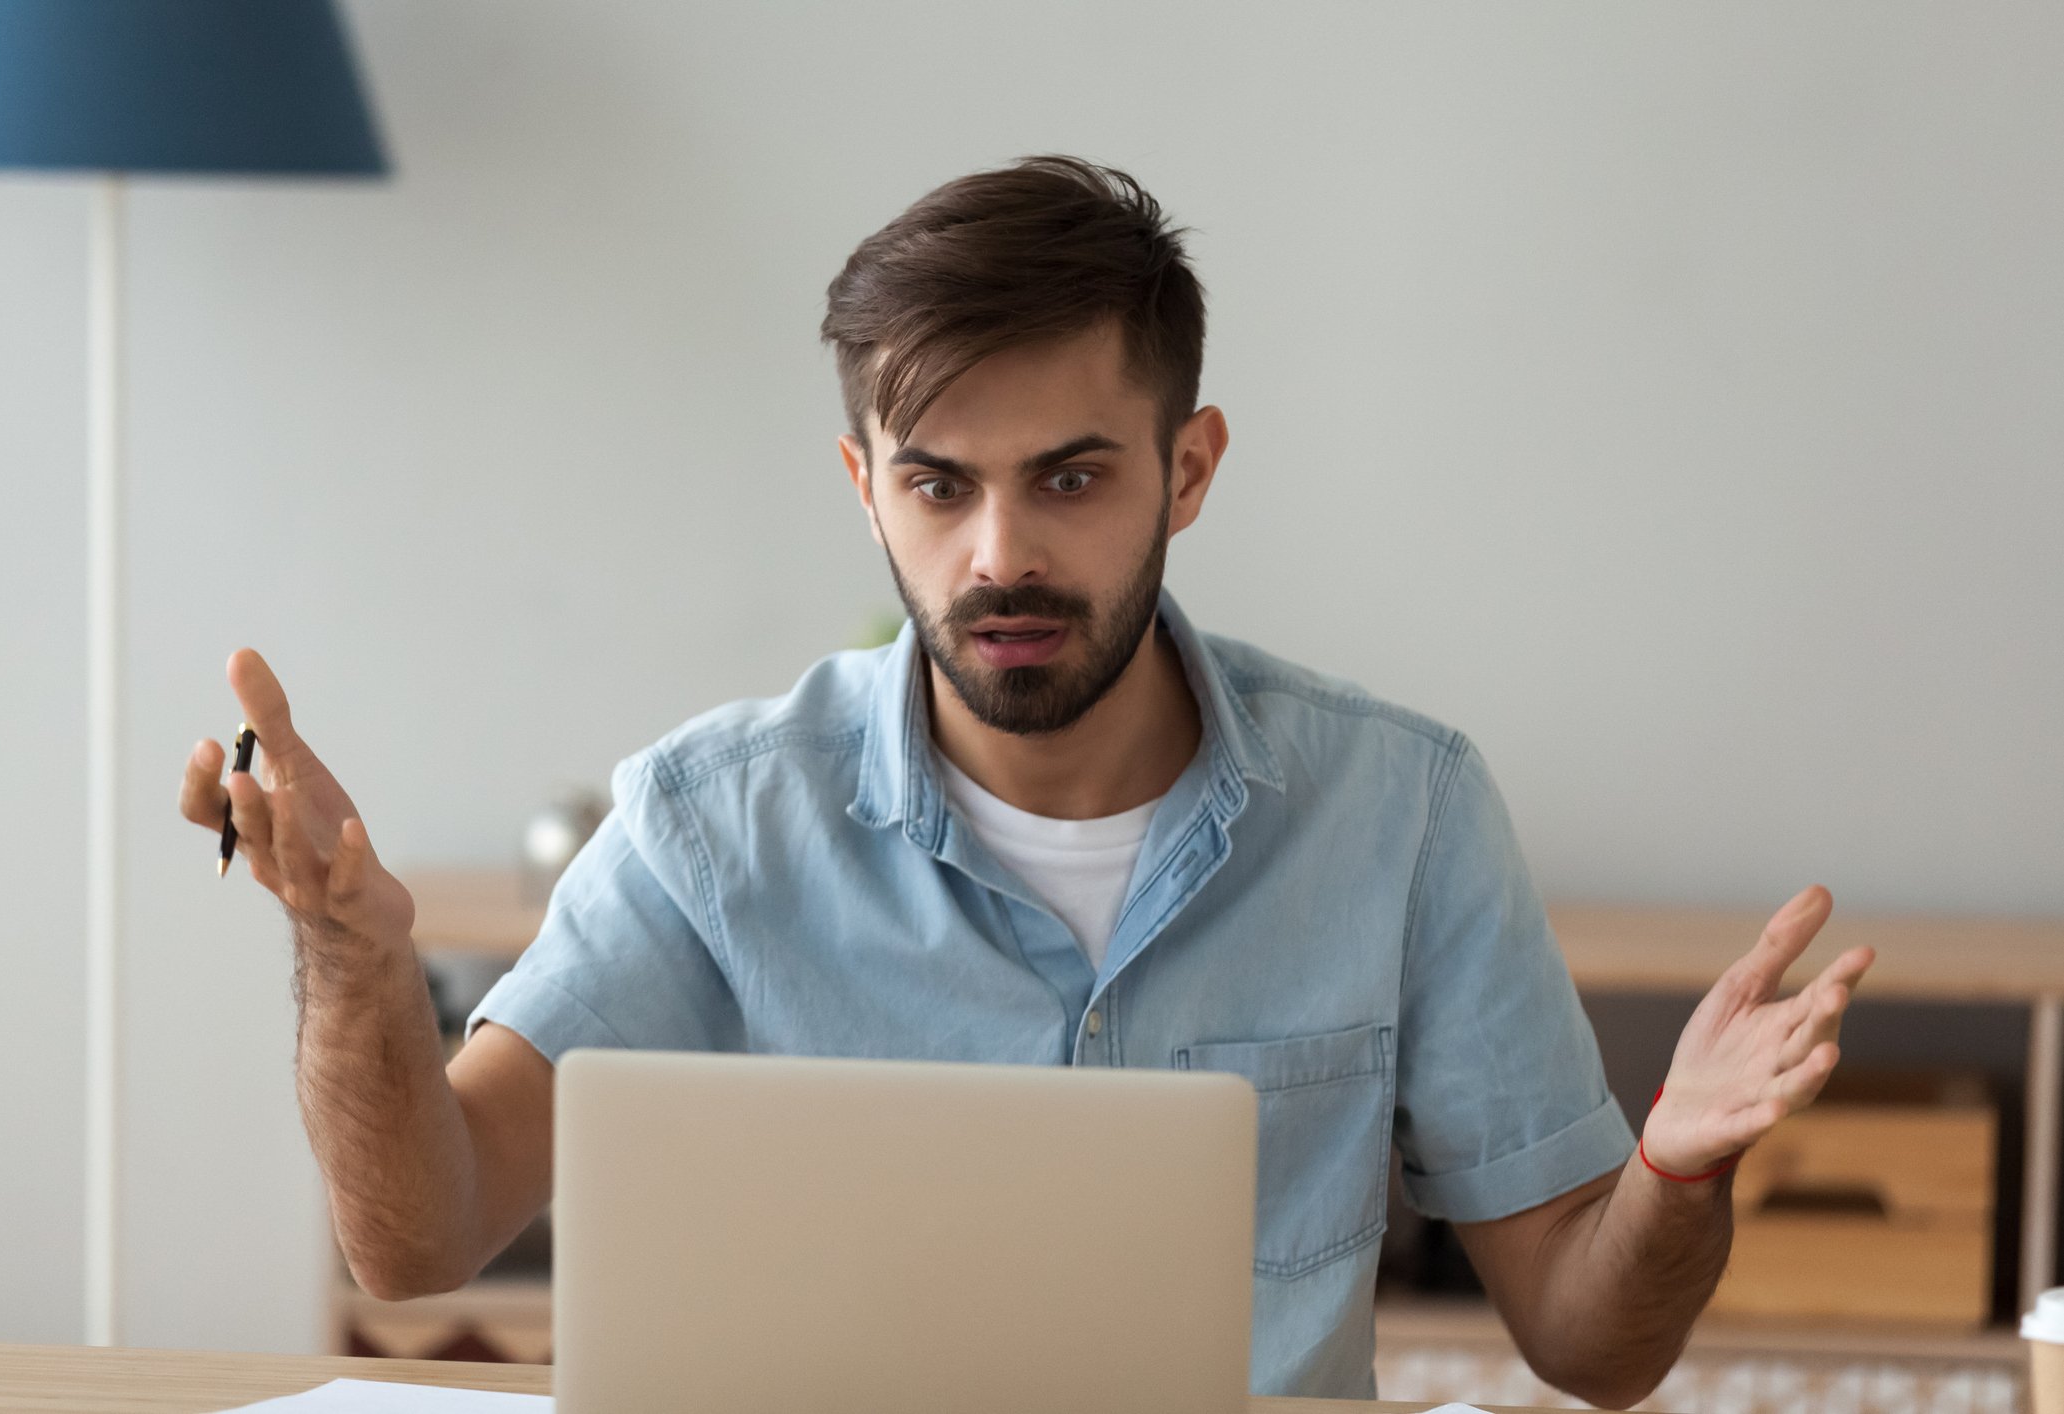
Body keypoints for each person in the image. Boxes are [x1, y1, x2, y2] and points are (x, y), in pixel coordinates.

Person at [177, 154, 1874, 1404]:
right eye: (938, 485)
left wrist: (1669, 1175)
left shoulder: (1401, 811)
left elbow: (1592, 1349)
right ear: (864, 486)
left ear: (1185, 467)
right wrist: (347, 953)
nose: (1000, 553)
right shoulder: (714, 819)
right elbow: (419, 1243)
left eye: (1069, 477)